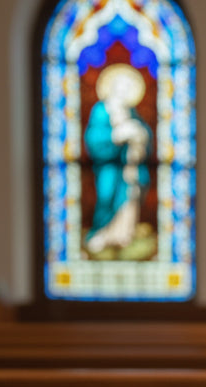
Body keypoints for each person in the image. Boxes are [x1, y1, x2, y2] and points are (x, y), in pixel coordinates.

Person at [84, 63, 151, 255]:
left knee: (129, 199)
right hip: (108, 167)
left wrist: (139, 135)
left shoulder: (131, 112)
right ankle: (102, 233)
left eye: (128, 88)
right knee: (106, 197)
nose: (124, 91)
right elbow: (93, 138)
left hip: (129, 169)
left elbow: (145, 134)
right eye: (121, 87)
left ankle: (123, 236)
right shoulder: (101, 110)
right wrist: (116, 136)